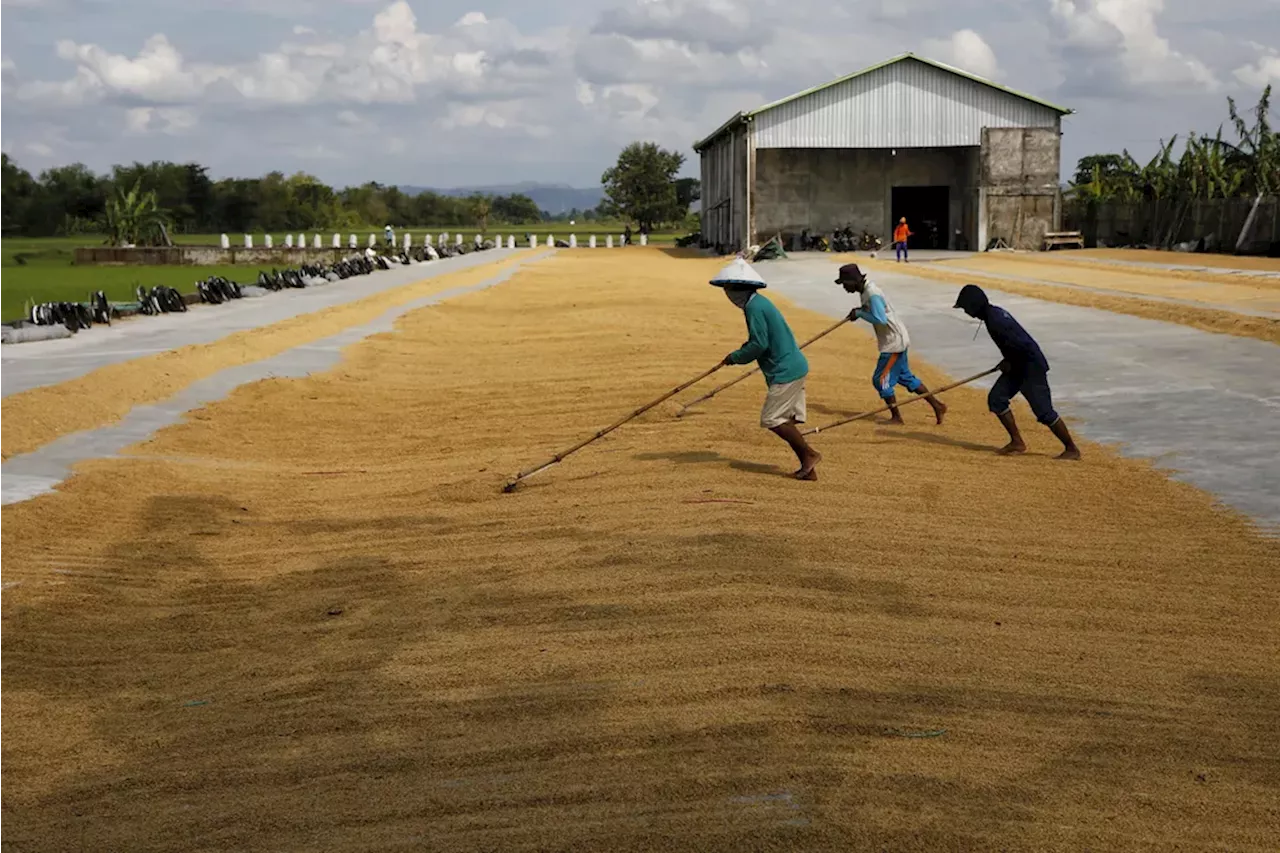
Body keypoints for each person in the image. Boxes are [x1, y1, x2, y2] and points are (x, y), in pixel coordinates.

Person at [713, 258, 821, 480]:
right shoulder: (759, 304)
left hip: (786, 370)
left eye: (729, 290)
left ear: (739, 289)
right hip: (791, 366)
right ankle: (808, 468)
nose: (728, 295)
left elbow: (758, 344)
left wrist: (735, 357)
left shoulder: (754, 307)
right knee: (785, 419)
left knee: (772, 419)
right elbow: (759, 339)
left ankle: (809, 455)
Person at [953, 284, 1081, 460]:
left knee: (1044, 412)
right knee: (996, 399)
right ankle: (1017, 442)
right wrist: (1007, 361)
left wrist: (1009, 362)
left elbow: (1023, 348)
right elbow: (1013, 346)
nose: (966, 312)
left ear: (974, 305)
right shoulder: (993, 315)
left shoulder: (996, 320)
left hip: (1030, 367)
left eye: (966, 307)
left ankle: (1072, 449)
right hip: (1018, 365)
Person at [835, 263, 946, 425]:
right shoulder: (865, 291)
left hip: (894, 343)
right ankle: (937, 405)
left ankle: (897, 418)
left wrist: (859, 313)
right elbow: (874, 312)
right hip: (896, 339)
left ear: (853, 281)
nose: (844, 288)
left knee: (880, 380)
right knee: (905, 377)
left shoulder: (871, 293)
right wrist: (859, 311)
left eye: (845, 284)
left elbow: (880, 319)